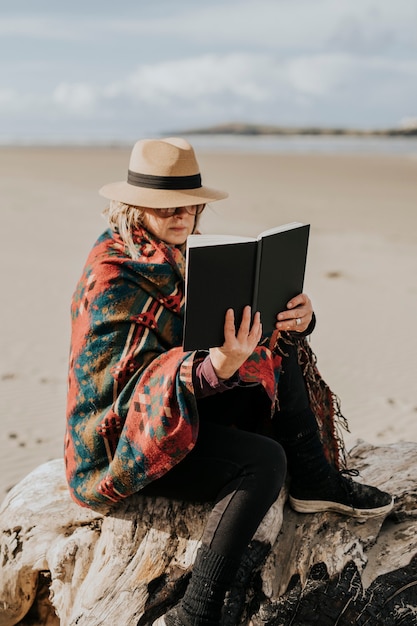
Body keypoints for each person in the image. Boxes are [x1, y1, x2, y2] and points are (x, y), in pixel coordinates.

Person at [64, 137, 393, 626]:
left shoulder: (181, 257)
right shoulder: (115, 275)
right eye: (166, 205)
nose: (182, 214)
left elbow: (206, 337)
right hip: (120, 442)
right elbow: (127, 390)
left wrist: (296, 319)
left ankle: (315, 478)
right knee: (262, 461)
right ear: (133, 206)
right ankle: (194, 613)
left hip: (177, 404)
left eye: (190, 204)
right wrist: (215, 366)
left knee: (270, 350)